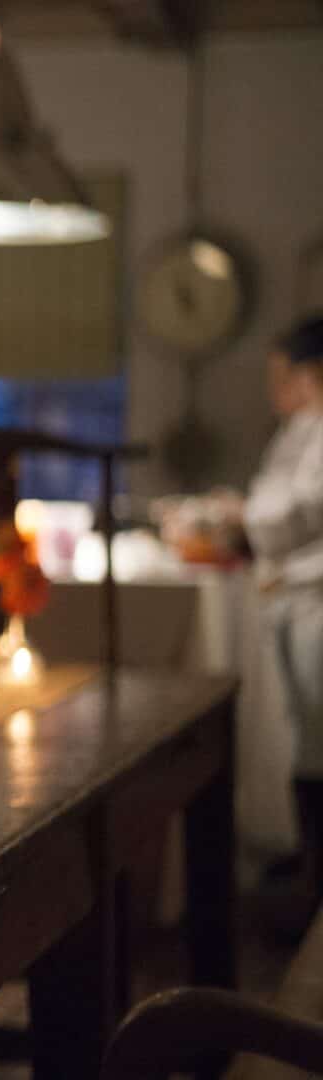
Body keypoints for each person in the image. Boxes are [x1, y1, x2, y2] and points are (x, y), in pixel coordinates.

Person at [247, 315, 323, 897]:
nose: (275, 388)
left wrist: (241, 521)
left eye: (282, 374)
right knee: (305, 734)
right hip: (298, 596)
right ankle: (307, 868)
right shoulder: (302, 428)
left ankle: (313, 881)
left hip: (316, 601)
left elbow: (292, 513)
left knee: (317, 739)